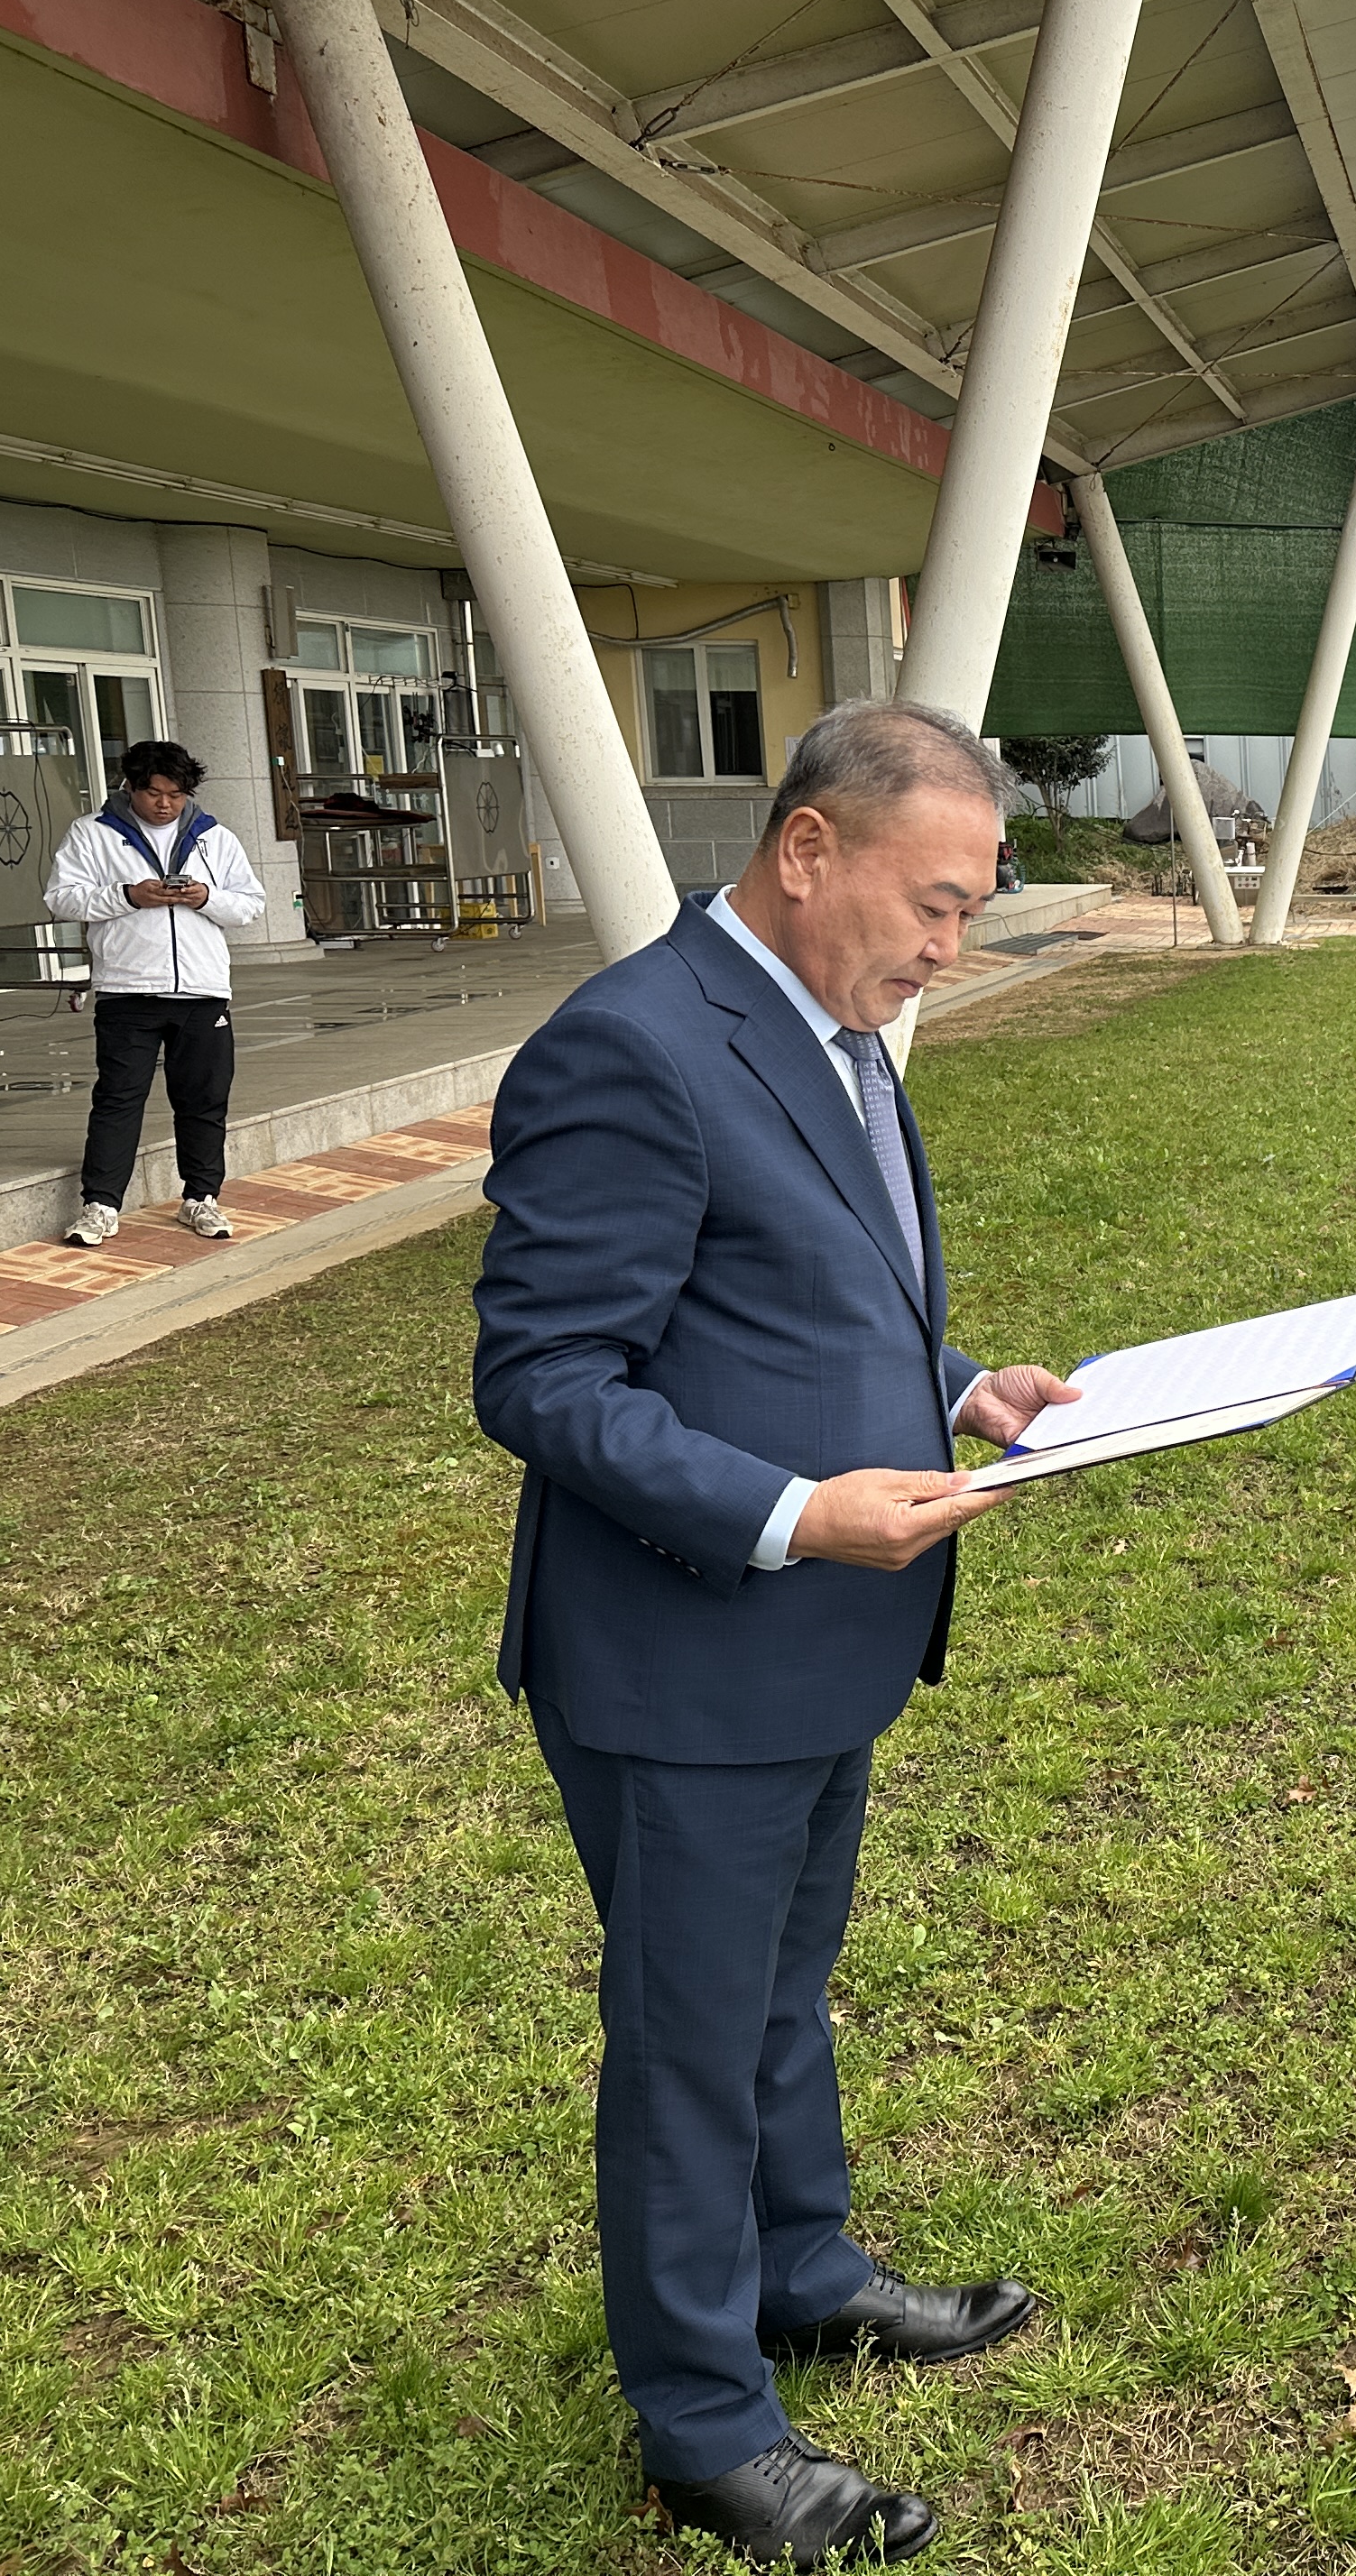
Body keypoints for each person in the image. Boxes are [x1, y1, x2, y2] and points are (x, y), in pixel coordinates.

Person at [474, 702, 1088, 2565]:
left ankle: (800, 2266)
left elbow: (810, 1285)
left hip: (816, 1644)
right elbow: (544, 1375)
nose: (950, 944)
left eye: (973, 908)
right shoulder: (634, 1047)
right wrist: (795, 1512)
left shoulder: (838, 1030)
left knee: (776, 1985)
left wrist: (959, 1383)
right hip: (687, 1654)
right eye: (937, 901)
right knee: (687, 2035)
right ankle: (702, 2419)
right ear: (808, 849)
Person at [43, 741, 264, 1247]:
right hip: (127, 991)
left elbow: (250, 904)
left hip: (202, 992)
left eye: (176, 794)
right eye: (153, 793)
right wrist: (128, 896)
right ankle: (100, 1206)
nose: (165, 804)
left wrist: (206, 898)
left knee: (204, 1100)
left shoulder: (215, 837)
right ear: (130, 787)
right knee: (118, 1100)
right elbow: (61, 898)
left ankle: (201, 1197)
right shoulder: (93, 833)